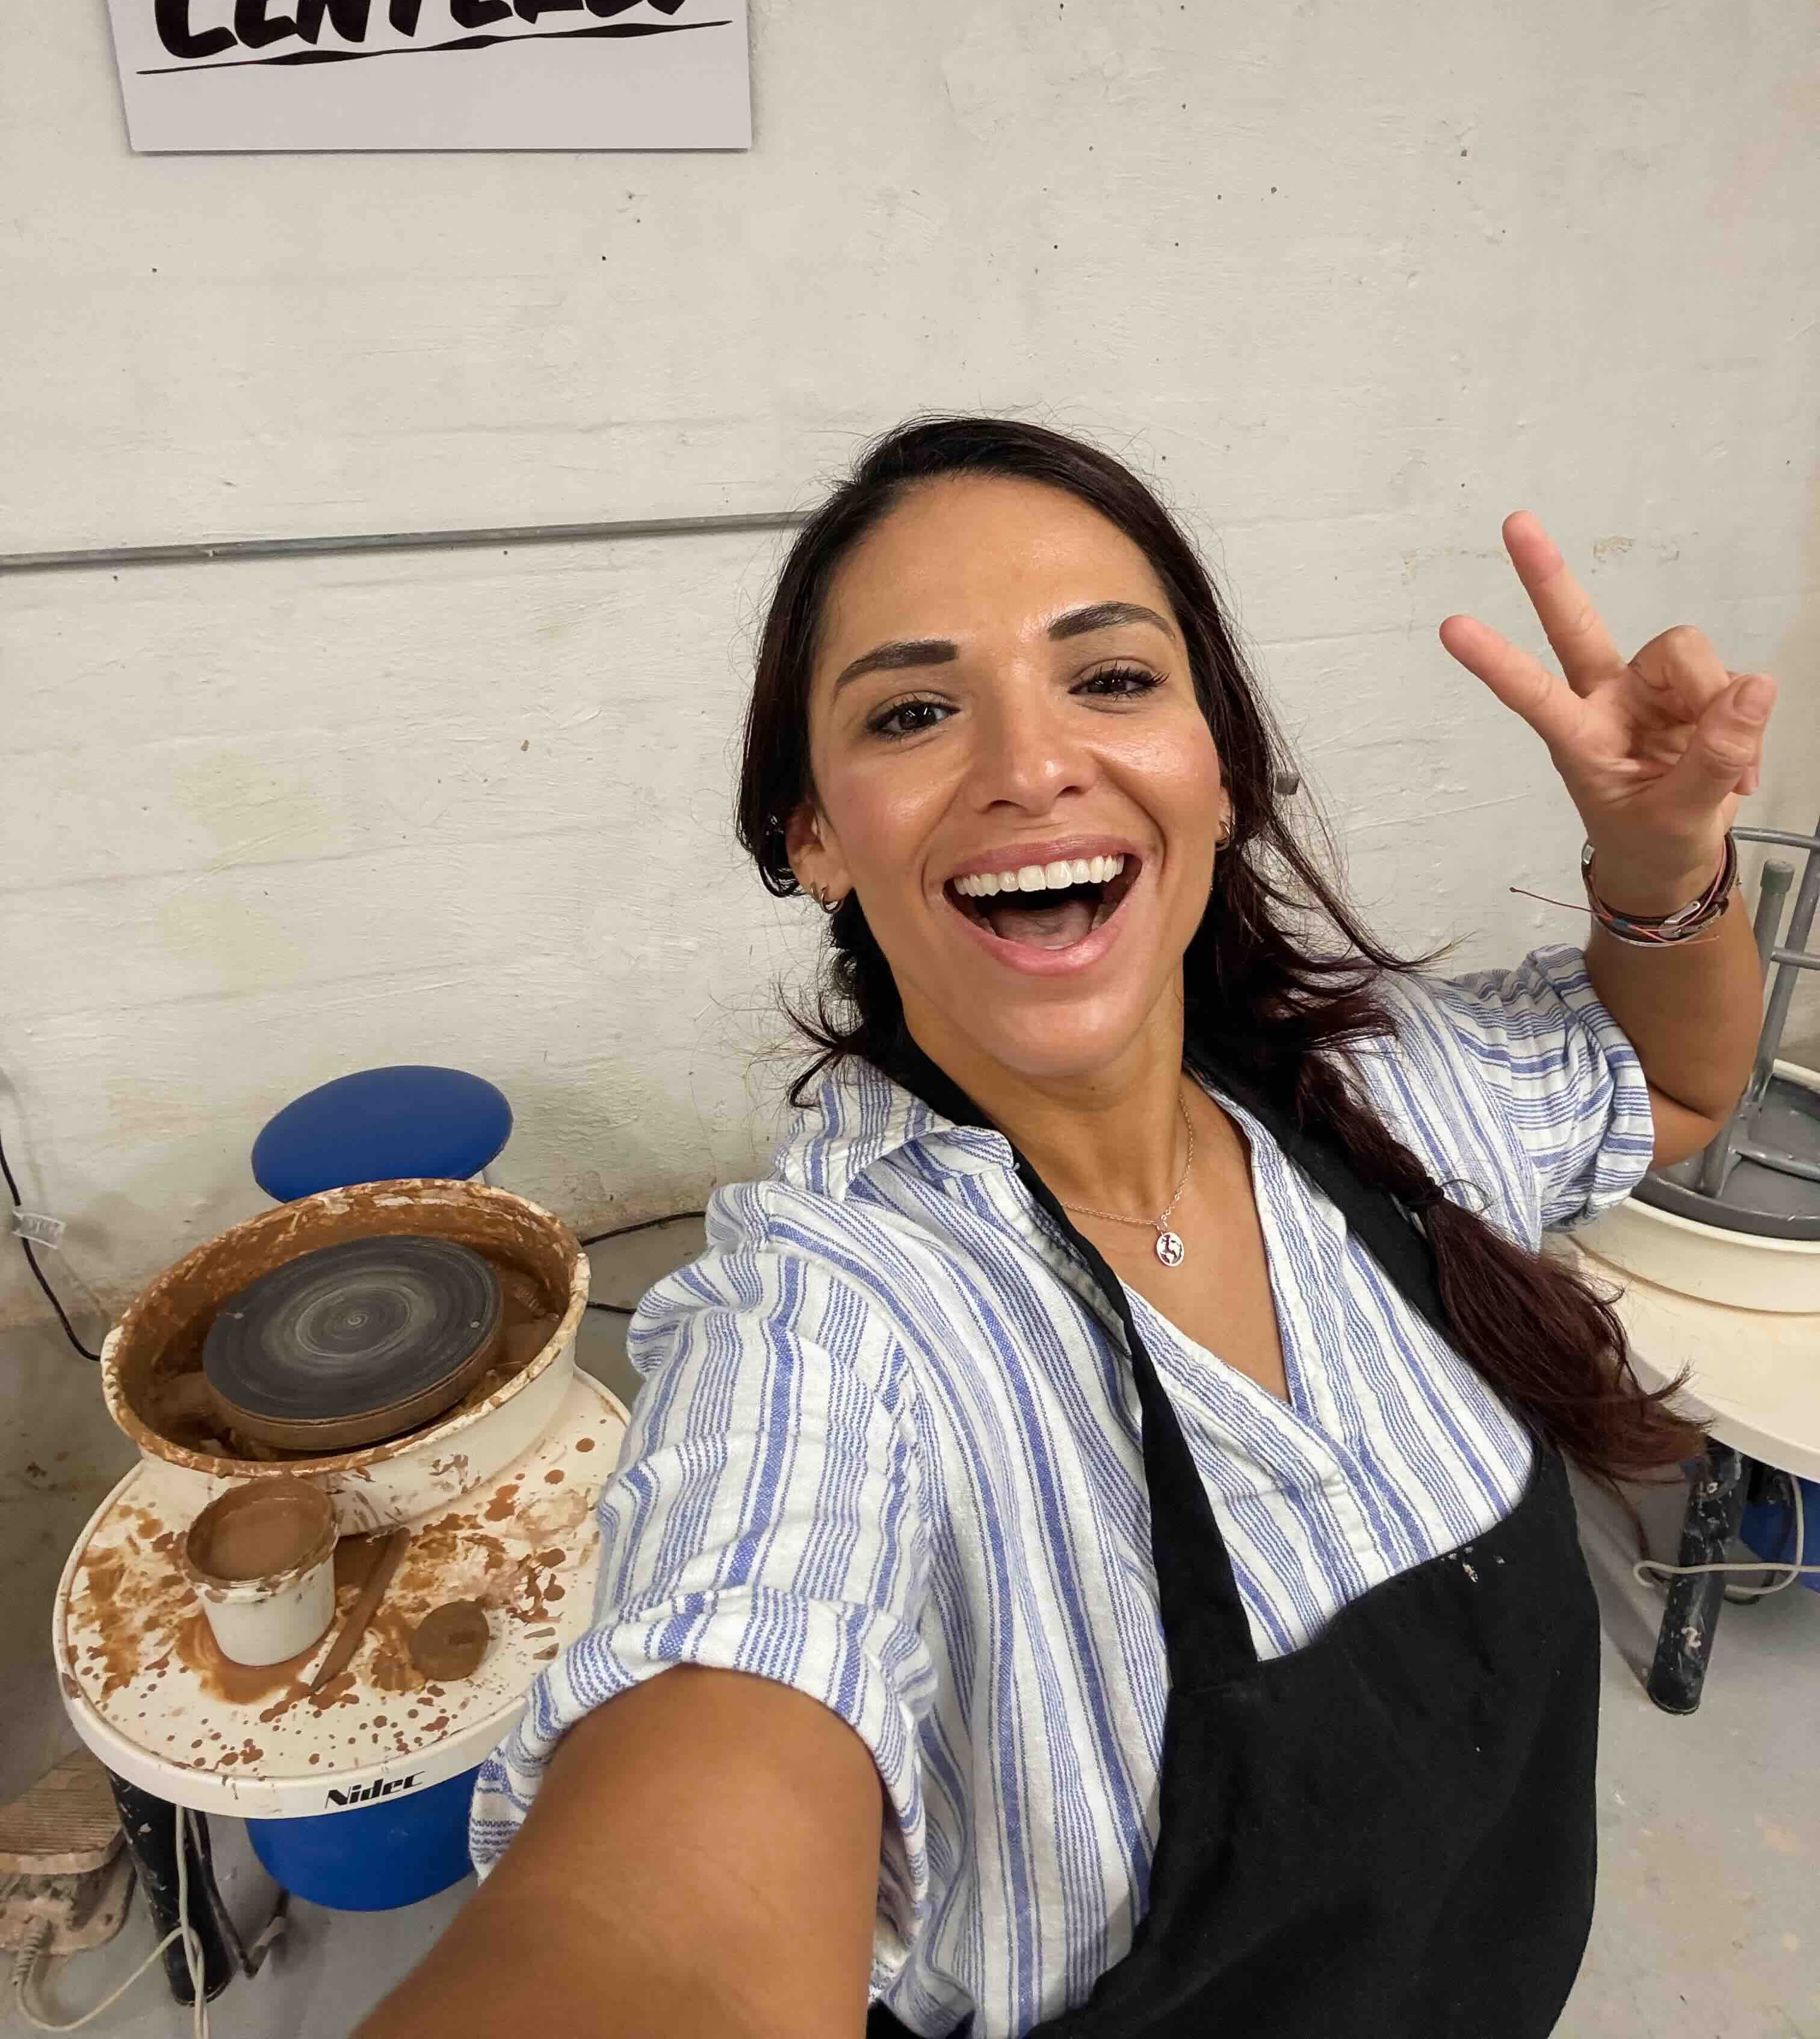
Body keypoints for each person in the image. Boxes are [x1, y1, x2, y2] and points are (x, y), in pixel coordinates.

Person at [359, 415, 1775, 2039]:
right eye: (912, 712)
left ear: (1219, 771)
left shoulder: (1390, 1091)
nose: (1031, 767)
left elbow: (1671, 1079)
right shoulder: (833, 1331)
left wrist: (1660, 865)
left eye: (1109, 679)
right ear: (814, 837)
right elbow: (665, 1920)